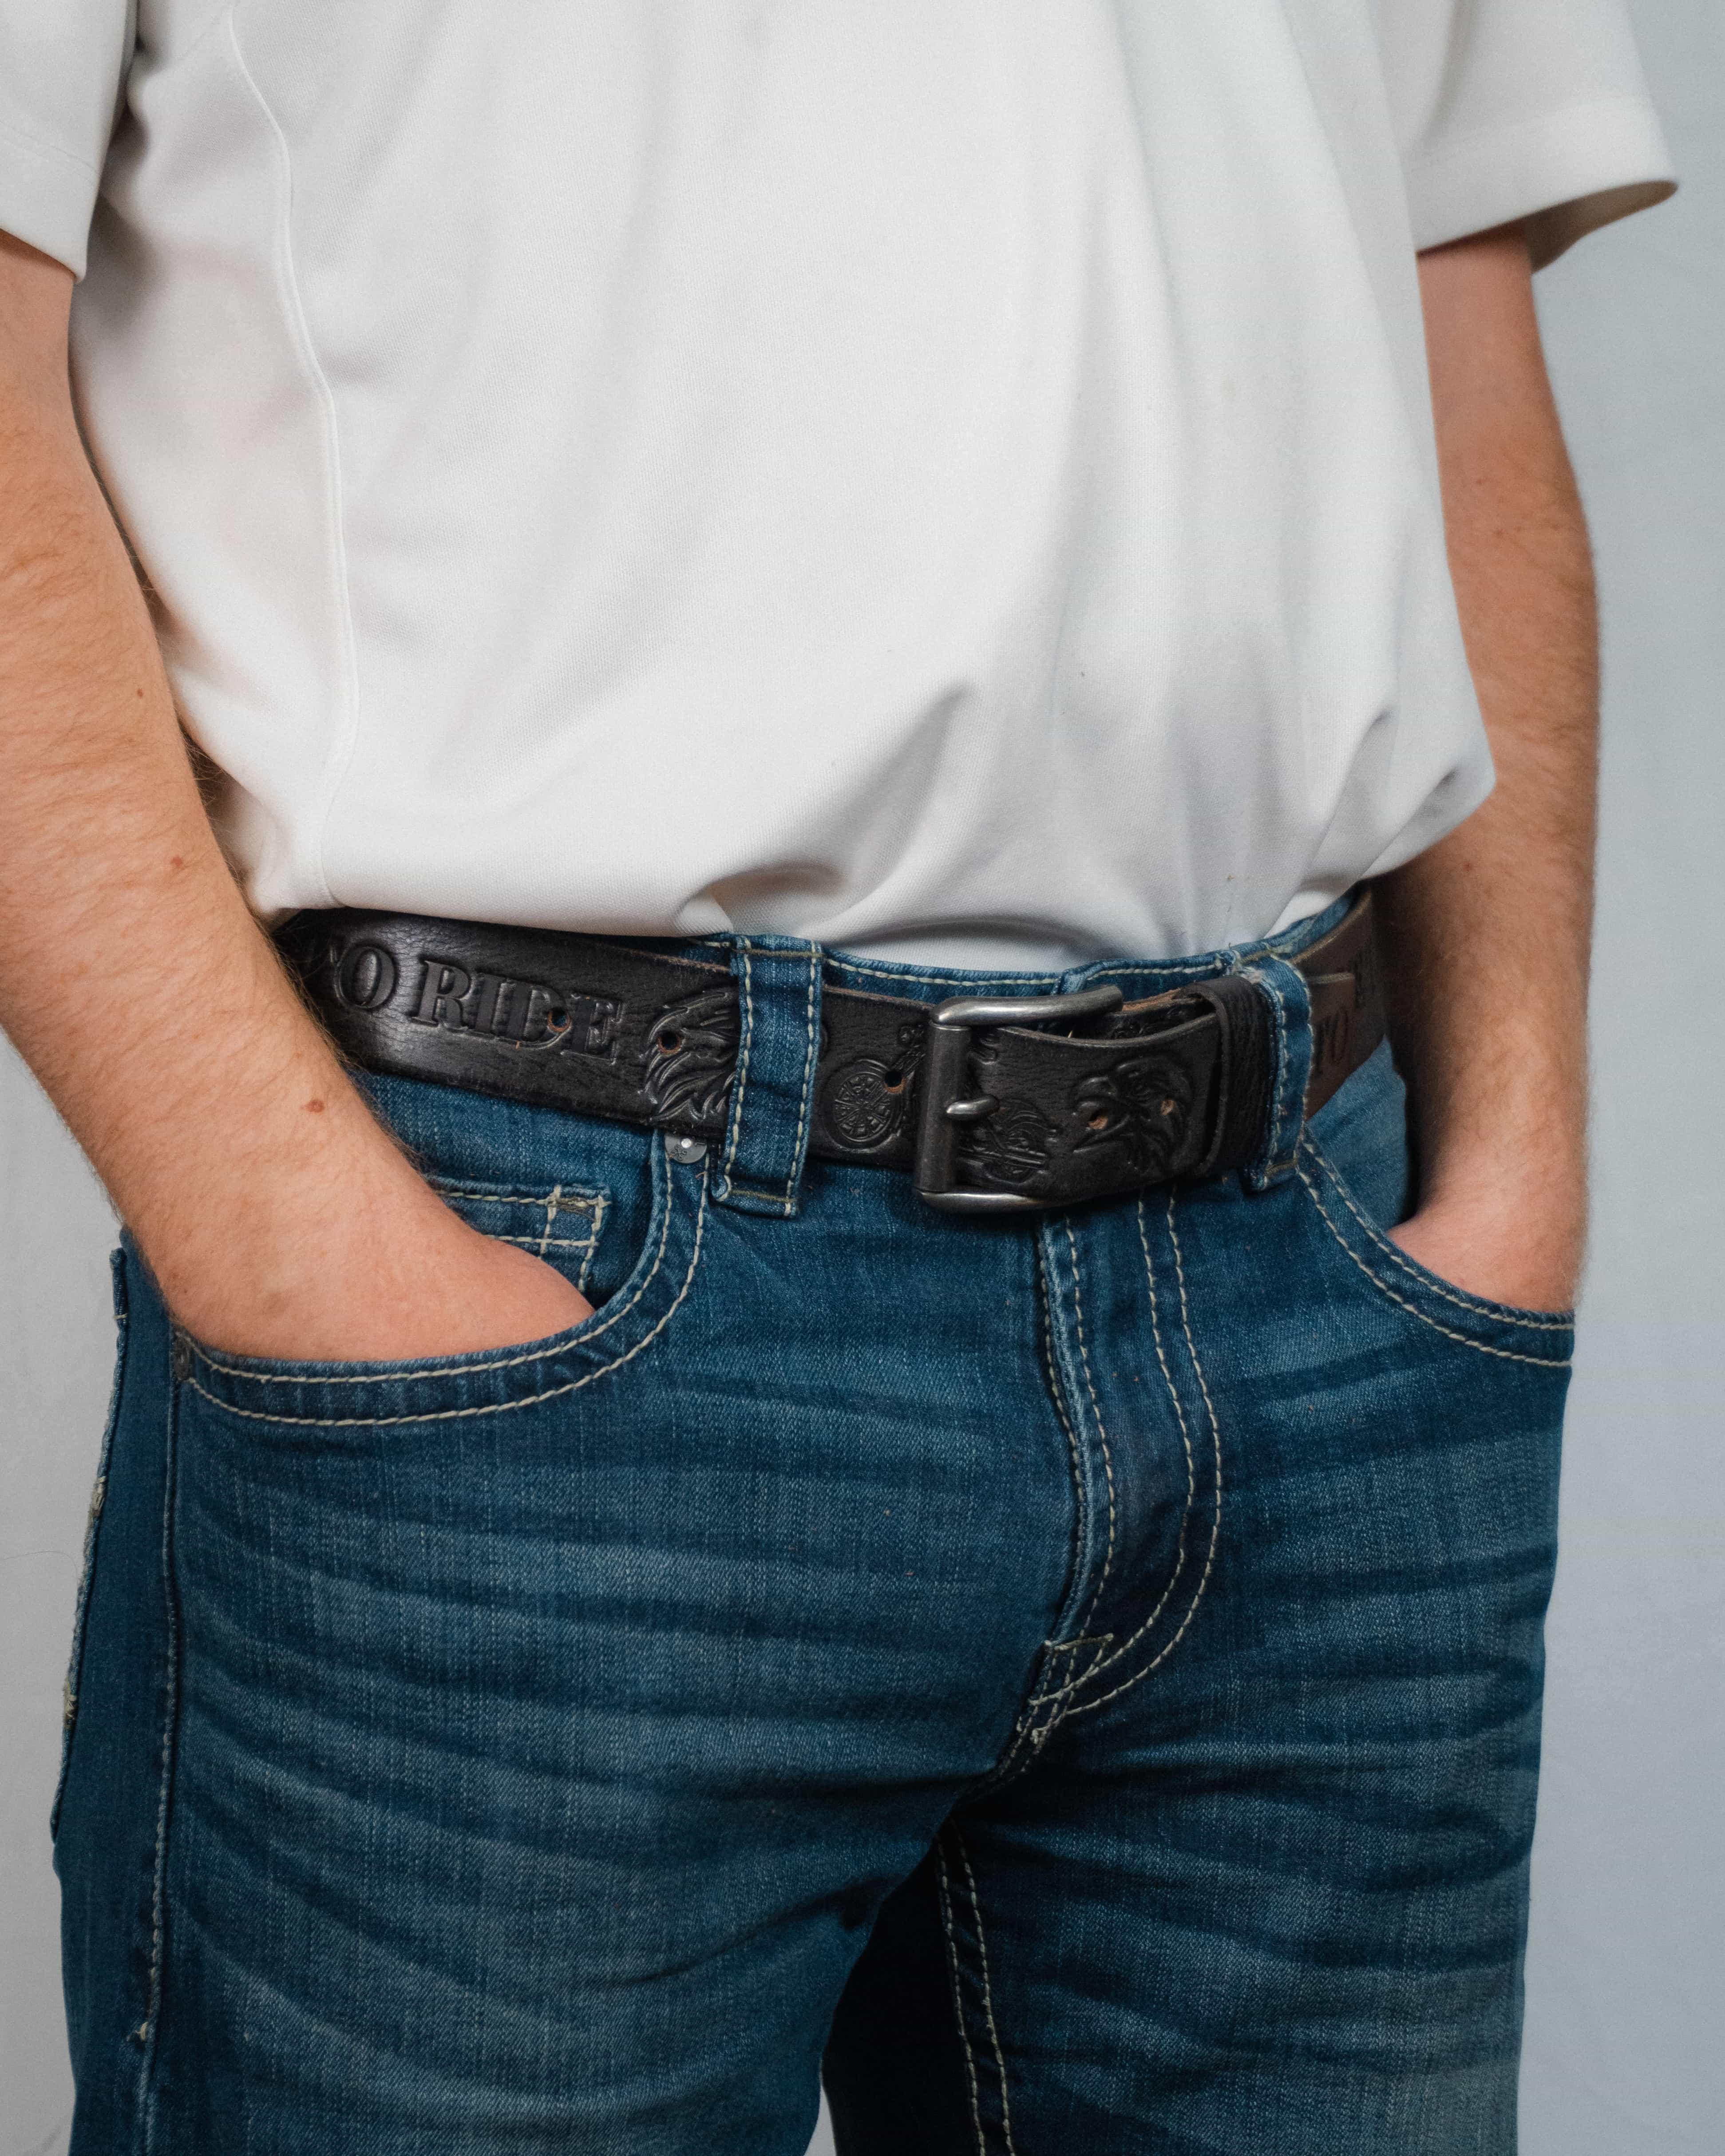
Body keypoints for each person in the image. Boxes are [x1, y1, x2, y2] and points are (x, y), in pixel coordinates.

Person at [0, 4, 1675, 2150]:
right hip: (540, 1304)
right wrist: (308, 1258)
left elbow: (1451, 282)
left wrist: (1511, 1175)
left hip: (1317, 1309)